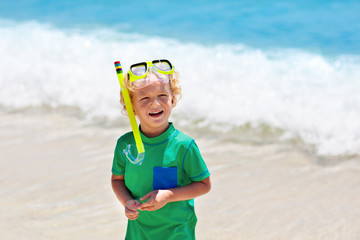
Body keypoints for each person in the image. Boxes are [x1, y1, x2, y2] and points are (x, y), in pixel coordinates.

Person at [111, 59, 211, 240]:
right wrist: (127, 201)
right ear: (131, 107)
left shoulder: (184, 145)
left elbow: (204, 185)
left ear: (172, 99)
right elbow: (117, 180)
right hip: (138, 232)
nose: (155, 103)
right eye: (145, 98)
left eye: (162, 96)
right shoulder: (125, 146)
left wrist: (168, 195)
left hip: (177, 232)